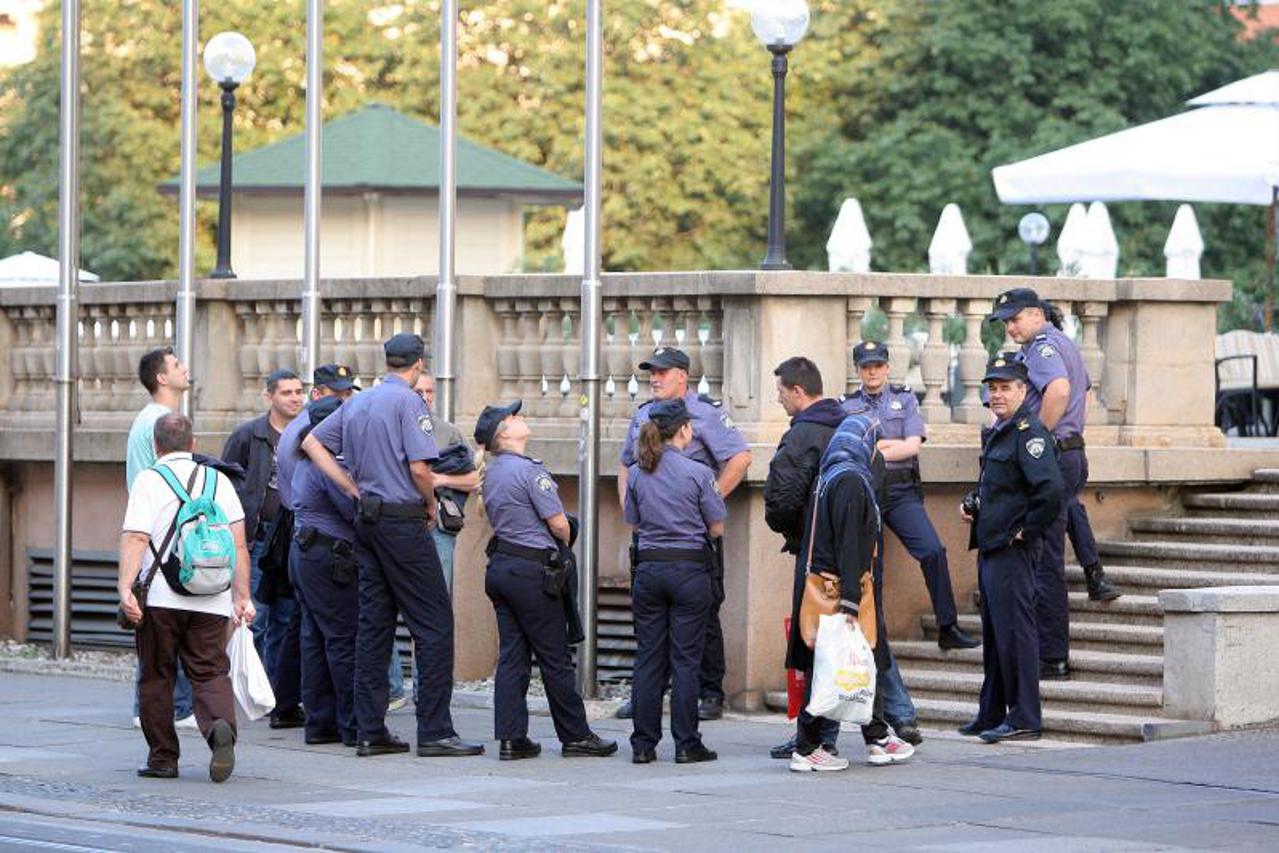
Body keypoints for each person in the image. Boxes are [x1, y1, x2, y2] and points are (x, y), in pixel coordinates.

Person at [302, 332, 483, 758]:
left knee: (374, 625)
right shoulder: (409, 402)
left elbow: (312, 443)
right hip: (401, 518)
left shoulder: (359, 401)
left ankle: (370, 729)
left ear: (387, 362)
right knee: (435, 623)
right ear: (418, 363)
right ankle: (436, 730)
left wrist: (352, 487)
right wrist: (428, 506)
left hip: (368, 518)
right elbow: (420, 467)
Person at [472, 400, 617, 760]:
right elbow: (557, 523)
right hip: (532, 573)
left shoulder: (492, 472)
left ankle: (511, 738)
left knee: (512, 656)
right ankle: (576, 736)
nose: (522, 418)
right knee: (554, 657)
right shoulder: (528, 471)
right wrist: (566, 538)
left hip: (503, 568)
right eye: (514, 416)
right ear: (504, 433)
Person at [117, 413, 255, 781]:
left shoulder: (150, 480)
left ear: (156, 446)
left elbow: (136, 537)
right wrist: (242, 597)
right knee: (210, 670)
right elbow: (239, 545)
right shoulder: (219, 480)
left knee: (157, 675)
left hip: (161, 598)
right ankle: (219, 727)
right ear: (193, 445)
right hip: (213, 596)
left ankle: (163, 758)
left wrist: (125, 588)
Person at [616, 346, 751, 722]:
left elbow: (739, 458)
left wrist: (706, 500)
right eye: (651, 373)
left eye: (661, 372)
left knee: (705, 612)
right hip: (653, 535)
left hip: (696, 536)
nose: (654, 378)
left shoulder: (705, 413)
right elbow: (626, 466)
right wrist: (635, 509)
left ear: (682, 376)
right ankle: (650, 694)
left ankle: (710, 693)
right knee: (649, 620)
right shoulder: (643, 414)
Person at [991, 288, 1119, 682]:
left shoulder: (1043, 347)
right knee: (1050, 543)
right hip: (1069, 454)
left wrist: (1037, 438)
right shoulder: (1063, 342)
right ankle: (1056, 643)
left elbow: (1060, 391)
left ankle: (1052, 655)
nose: (1010, 327)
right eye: (1006, 321)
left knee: (1045, 559)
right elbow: (1079, 390)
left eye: (1015, 319)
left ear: (1035, 314)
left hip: (1056, 453)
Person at [787, 414, 915, 772]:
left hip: (827, 584)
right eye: (874, 447)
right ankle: (808, 746)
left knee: (855, 663)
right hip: (840, 588)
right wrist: (850, 602)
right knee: (835, 665)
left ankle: (876, 736)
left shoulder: (830, 473)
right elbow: (849, 545)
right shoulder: (851, 480)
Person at [842, 341, 977, 651]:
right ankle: (871, 637)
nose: (872, 371)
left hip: (902, 491)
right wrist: (893, 446)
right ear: (858, 370)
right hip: (864, 492)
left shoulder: (905, 400)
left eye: (878, 365)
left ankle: (948, 626)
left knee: (932, 551)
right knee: (869, 567)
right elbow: (850, 449)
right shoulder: (845, 405)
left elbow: (912, 446)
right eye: (866, 366)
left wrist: (877, 449)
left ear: (888, 367)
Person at [959, 355, 1063, 743]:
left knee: (1016, 633)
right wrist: (974, 503)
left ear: (1023, 391)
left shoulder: (1029, 434)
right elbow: (1000, 487)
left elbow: (1050, 492)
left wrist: (1026, 533)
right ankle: (991, 712)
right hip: (991, 545)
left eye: (1006, 388)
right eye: (993, 387)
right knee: (995, 633)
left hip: (1012, 549)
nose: (997, 394)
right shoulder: (1001, 431)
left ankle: (1024, 717)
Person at [624, 398, 726, 764]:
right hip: (688, 570)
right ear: (684, 430)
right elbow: (716, 526)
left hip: (649, 571)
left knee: (649, 658)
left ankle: (642, 744)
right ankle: (686, 743)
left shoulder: (637, 471)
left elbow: (633, 523)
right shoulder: (698, 473)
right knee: (685, 660)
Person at [762, 357, 851, 760]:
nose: (778, 400)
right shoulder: (851, 426)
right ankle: (829, 734)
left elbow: (781, 499)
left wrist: (792, 533)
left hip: (816, 554)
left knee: (815, 644)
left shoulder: (802, 436)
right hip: (852, 555)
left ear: (798, 392)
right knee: (846, 641)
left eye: (781, 392)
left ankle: (814, 738)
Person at [387, 371, 480, 710]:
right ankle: (392, 686)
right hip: (395, 527)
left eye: (430, 391)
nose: (425, 397)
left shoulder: (446, 431)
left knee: (433, 612)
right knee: (382, 610)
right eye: (419, 391)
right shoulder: (390, 424)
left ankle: (426, 692)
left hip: (437, 530)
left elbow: (474, 478)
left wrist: (436, 478)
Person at [221, 368, 306, 724]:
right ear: (270, 396)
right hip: (256, 537)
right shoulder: (248, 436)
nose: (295, 398)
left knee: (287, 618)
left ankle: (275, 692)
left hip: (292, 535)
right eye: (286, 392)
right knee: (255, 614)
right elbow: (226, 480)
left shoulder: (309, 432)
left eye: (299, 391)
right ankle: (245, 686)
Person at [126, 347, 195, 731]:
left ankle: (165, 704)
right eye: (176, 365)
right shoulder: (160, 421)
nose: (184, 368)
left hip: (155, 532)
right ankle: (169, 707)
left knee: (161, 626)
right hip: (161, 536)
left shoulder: (151, 418)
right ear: (162, 378)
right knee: (165, 626)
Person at [288, 395, 359, 747]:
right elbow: (351, 508)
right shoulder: (327, 463)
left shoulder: (301, 457)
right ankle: (351, 724)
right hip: (330, 554)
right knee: (343, 639)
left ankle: (320, 723)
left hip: (304, 550)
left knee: (314, 639)